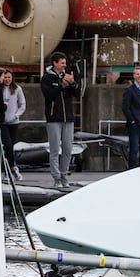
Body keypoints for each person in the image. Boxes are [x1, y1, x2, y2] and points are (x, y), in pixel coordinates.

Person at [41, 51, 80, 188]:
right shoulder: (46, 78)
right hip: (54, 118)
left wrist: (73, 83)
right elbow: (48, 95)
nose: (64, 65)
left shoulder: (67, 75)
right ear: (55, 63)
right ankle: (56, 178)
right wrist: (61, 86)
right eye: (62, 63)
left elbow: (77, 94)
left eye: (65, 63)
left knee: (68, 148)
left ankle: (64, 175)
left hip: (68, 118)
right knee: (54, 149)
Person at [2, 70, 26, 181]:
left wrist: (16, 115)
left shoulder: (17, 89)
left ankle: (11, 169)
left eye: (9, 77)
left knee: (10, 146)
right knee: (6, 145)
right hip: (2, 122)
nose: (7, 79)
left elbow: (22, 104)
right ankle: (10, 168)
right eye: (5, 77)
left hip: (13, 122)